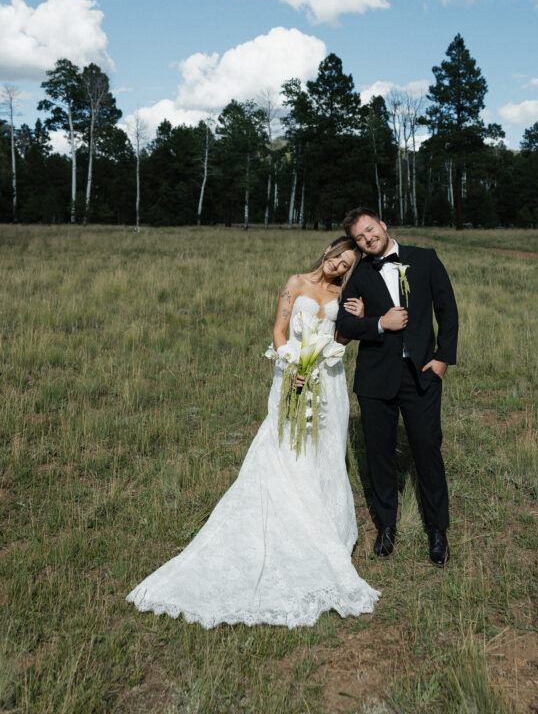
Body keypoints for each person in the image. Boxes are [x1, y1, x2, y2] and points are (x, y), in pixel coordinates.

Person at [127, 237, 380, 628]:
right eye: (338, 258)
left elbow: (340, 339)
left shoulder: (339, 296)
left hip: (327, 381)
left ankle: (322, 524)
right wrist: (292, 364)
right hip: (292, 375)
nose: (339, 267)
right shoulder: (295, 283)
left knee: (324, 451)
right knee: (286, 449)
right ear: (328, 250)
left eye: (347, 265)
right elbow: (279, 330)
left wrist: (358, 316)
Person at [337, 208, 458, 567]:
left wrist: (442, 360)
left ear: (383, 225)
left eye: (370, 231)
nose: (367, 239)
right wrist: (377, 323)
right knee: (379, 453)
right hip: (375, 378)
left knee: (426, 449)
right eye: (359, 238)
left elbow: (447, 311)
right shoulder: (358, 275)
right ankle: (386, 525)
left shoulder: (425, 259)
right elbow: (343, 324)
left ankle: (438, 530)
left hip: (422, 373)